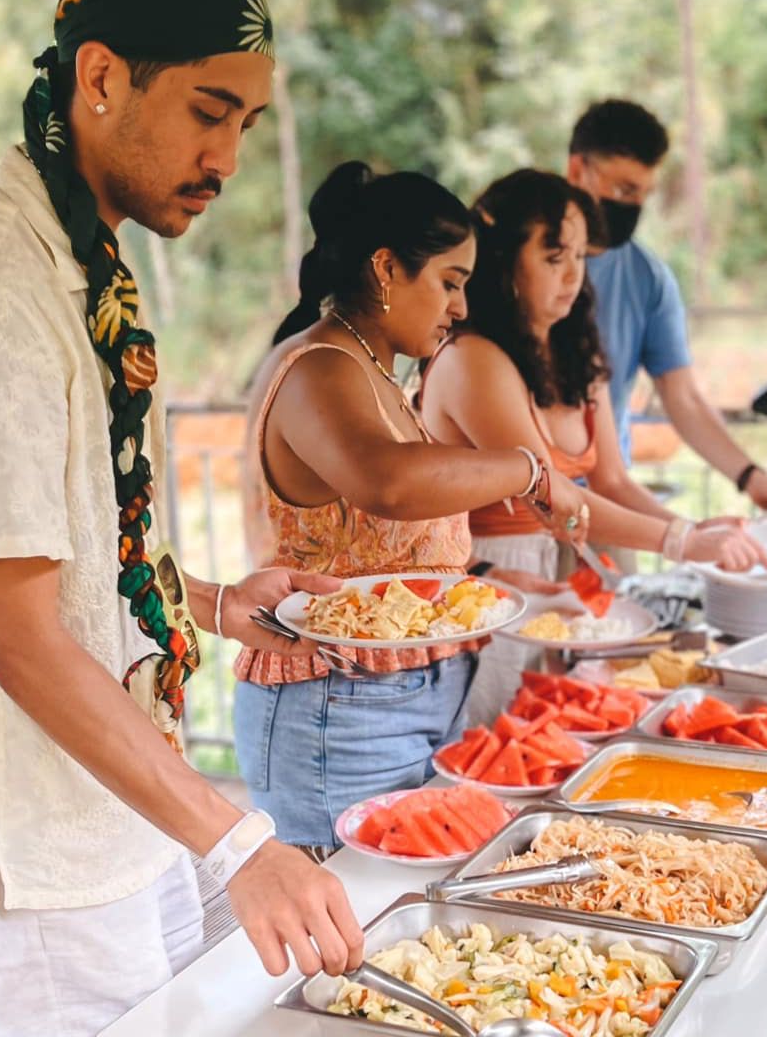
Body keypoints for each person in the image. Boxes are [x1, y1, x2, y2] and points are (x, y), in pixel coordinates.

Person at [0, 0, 361, 1037]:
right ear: (100, 78)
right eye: (207, 112)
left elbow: (78, 562)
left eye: (245, 124)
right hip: (41, 838)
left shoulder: (78, 262)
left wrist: (218, 605)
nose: (227, 160)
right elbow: (21, 639)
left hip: (123, 800)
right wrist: (242, 846)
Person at [234, 161, 585, 851]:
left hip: (404, 699)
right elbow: (387, 484)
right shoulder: (318, 366)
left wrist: (479, 577)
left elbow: (377, 547)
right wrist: (530, 471)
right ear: (387, 268)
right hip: (339, 707)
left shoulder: (374, 372)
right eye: (450, 283)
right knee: (359, 904)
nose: (462, 307)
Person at [418, 169, 767, 722]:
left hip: (557, 583)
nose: (573, 275)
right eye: (554, 257)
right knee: (493, 743)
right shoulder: (473, 359)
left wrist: (696, 531)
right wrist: (681, 541)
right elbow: (552, 496)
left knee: (558, 736)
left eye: (581, 257)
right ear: (503, 261)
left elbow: (613, 481)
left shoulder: (575, 350)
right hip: (489, 583)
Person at [566, 99, 767, 512]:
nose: (632, 207)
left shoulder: (648, 279)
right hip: (519, 505)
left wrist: (752, 478)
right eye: (623, 189)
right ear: (578, 170)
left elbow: (682, 398)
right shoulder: (511, 263)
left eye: (643, 194)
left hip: (606, 495)